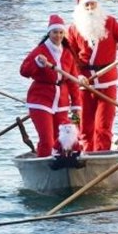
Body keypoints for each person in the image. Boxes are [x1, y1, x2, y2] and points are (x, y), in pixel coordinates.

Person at [66, 0, 118, 152]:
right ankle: (86, 155)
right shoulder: (73, 30)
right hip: (84, 84)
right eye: (87, 5)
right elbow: (69, 57)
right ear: (80, 8)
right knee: (84, 126)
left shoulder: (110, 23)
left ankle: (102, 155)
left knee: (103, 125)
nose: (90, 8)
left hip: (107, 82)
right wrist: (77, 75)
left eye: (93, 4)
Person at [21, 14, 83, 158]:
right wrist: (37, 63)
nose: (58, 36)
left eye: (61, 32)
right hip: (40, 101)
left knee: (64, 140)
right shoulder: (40, 51)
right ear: (49, 33)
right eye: (55, 32)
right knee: (47, 141)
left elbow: (72, 81)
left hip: (61, 102)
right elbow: (24, 71)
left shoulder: (67, 53)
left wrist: (76, 106)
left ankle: (63, 165)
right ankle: (44, 164)